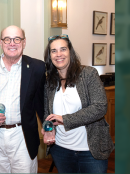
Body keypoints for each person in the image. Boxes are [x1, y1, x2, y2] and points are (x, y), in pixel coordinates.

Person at [0, 25, 45, 173]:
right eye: (7, 39)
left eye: (17, 39)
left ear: (24, 42)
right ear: (1, 43)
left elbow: (42, 103)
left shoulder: (37, 68)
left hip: (23, 137)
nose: (12, 43)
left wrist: (49, 127)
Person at [42, 34, 115, 173]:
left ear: (70, 52)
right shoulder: (49, 81)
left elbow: (100, 107)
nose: (59, 54)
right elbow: (48, 113)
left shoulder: (88, 74)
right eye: (54, 51)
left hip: (90, 150)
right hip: (61, 149)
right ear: (49, 56)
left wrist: (65, 119)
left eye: (63, 49)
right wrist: (48, 129)